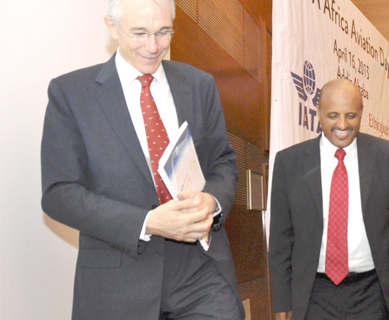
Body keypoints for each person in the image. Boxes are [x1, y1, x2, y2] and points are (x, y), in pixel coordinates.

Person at [40, 0, 244, 319]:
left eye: (163, 32)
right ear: (111, 27)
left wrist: (212, 202)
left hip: (200, 272)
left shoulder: (200, 85)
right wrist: (147, 222)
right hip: (118, 278)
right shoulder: (71, 93)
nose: (153, 46)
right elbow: (59, 194)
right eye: (139, 33)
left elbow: (223, 162)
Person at [269, 79, 389, 320]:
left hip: (373, 291)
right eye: (333, 115)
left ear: (362, 113)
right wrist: (282, 301)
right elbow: (281, 238)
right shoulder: (289, 162)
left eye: (351, 115)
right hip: (315, 293)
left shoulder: (387, 156)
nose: (343, 125)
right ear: (319, 114)